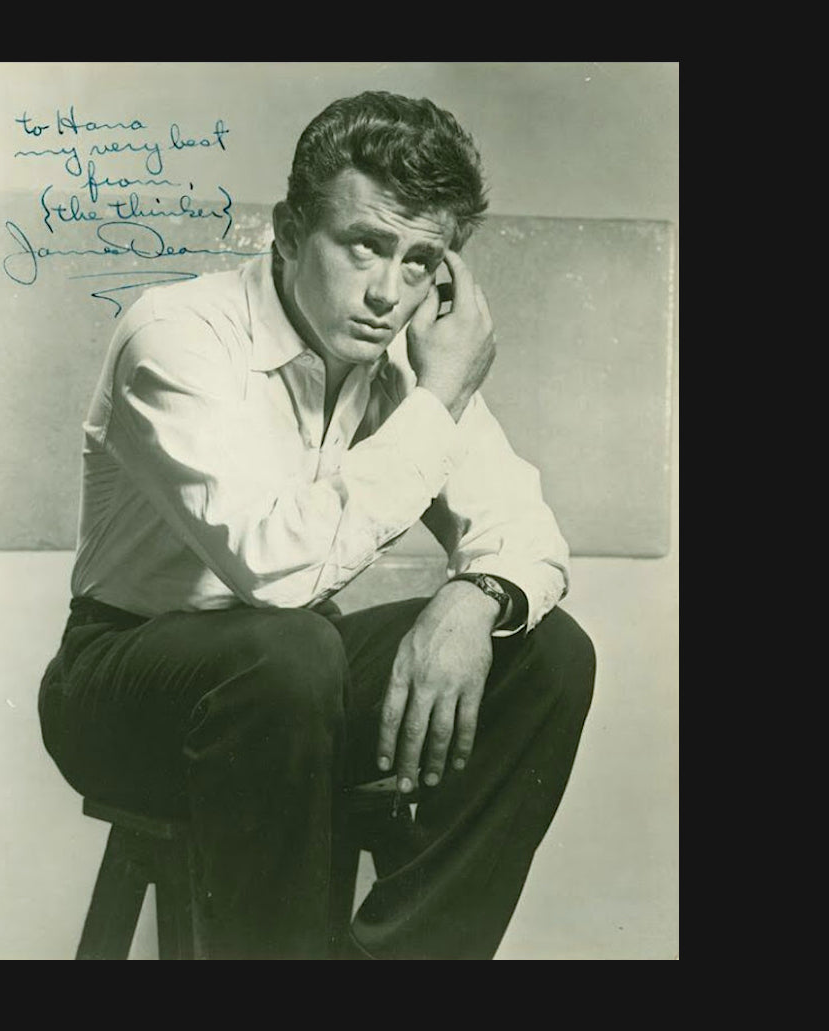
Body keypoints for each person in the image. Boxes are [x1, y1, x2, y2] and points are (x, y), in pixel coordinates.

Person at [38, 90, 596, 960]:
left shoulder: (404, 362)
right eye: (365, 244)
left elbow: (526, 533)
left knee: (548, 652)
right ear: (290, 229)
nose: (387, 293)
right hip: (123, 686)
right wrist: (439, 399)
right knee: (288, 649)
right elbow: (277, 570)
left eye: (421, 261)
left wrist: (479, 594)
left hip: (299, 684)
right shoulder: (177, 336)